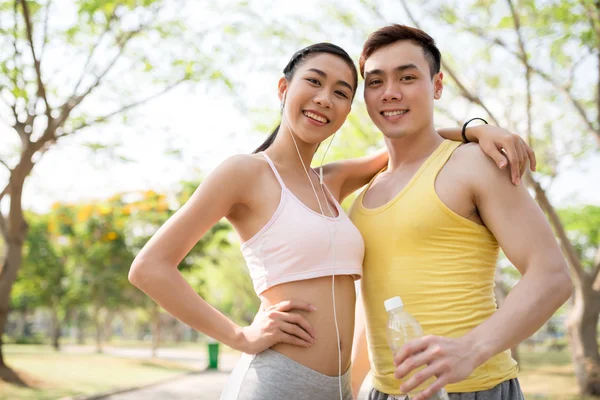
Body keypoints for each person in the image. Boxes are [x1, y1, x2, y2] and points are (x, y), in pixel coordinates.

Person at [128, 42, 535, 400]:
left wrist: (474, 130)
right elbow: (149, 268)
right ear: (284, 88)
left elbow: (415, 142)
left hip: (340, 388)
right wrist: (239, 336)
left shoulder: (332, 180)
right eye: (315, 82)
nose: (325, 99)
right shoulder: (245, 173)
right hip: (279, 381)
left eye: (342, 92)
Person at [349, 24, 572, 400]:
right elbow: (367, 314)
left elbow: (551, 276)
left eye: (407, 77)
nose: (390, 92)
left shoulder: (473, 164)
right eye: (375, 82)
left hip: (472, 389)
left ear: (436, 86)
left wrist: (472, 349)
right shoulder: (362, 194)